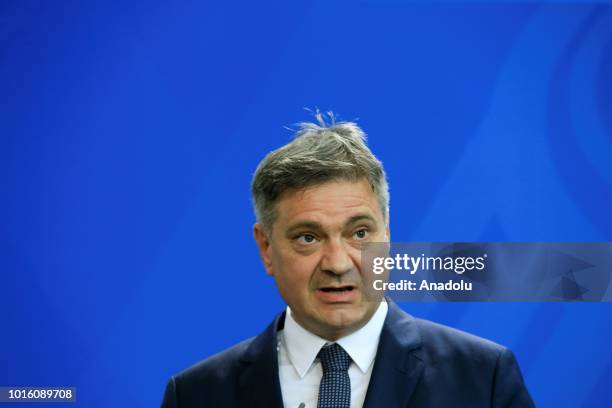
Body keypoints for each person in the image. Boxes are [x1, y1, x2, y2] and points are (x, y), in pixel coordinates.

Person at [161, 113, 535, 407]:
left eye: (359, 234)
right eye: (308, 238)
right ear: (266, 248)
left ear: (386, 233)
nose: (338, 263)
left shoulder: (482, 378)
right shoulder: (196, 395)